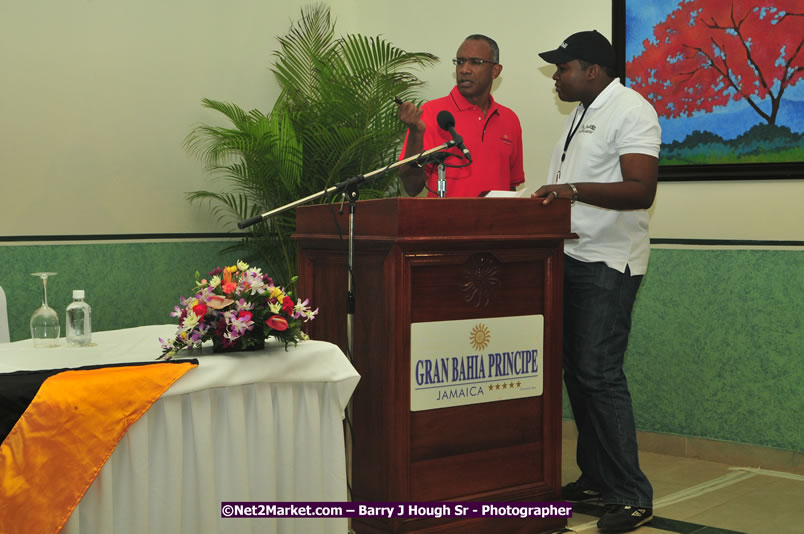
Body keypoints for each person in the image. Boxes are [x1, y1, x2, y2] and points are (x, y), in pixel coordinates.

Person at [533, 30, 660, 532]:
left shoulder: (631, 110)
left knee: (600, 376)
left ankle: (631, 495)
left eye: (563, 68)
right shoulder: (584, 112)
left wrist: (571, 190)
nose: (557, 77)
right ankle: (596, 478)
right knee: (578, 375)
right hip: (568, 257)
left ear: (593, 70)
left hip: (607, 263)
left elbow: (640, 189)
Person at [396, 35, 524, 197]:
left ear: (495, 71)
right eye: (460, 61)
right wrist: (416, 132)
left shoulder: (510, 119)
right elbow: (412, 187)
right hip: (447, 221)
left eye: (475, 62)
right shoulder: (432, 113)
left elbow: (510, 185)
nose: (464, 69)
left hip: (496, 221)